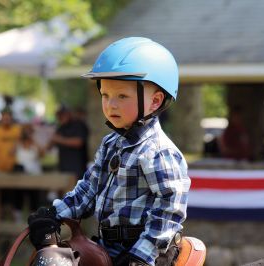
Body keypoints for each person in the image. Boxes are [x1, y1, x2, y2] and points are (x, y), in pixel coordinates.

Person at [27, 37, 191, 266]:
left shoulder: (158, 151)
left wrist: (141, 256)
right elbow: (89, 190)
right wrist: (54, 214)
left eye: (122, 96)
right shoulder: (109, 144)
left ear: (154, 101)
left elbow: (169, 210)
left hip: (149, 253)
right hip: (108, 247)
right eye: (105, 95)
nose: (110, 104)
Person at [48, 105, 89, 180]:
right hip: (63, 168)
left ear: (68, 114)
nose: (60, 117)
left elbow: (79, 142)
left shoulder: (78, 125)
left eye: (62, 114)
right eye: (59, 115)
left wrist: (59, 139)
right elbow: (49, 146)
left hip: (77, 169)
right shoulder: (60, 127)